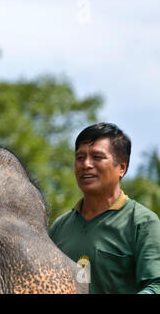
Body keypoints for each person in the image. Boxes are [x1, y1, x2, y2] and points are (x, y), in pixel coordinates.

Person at [49, 122, 160, 294]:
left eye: (97, 157)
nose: (86, 164)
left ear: (121, 167)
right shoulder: (59, 228)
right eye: (80, 158)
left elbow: (156, 285)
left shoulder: (142, 223)